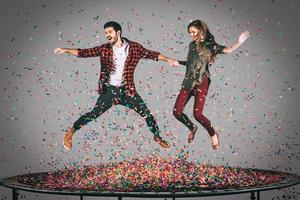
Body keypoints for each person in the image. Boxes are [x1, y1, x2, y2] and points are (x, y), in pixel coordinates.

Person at [54, 21, 179, 150]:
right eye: (106, 33)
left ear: (118, 32)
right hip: (109, 91)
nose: (107, 35)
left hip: (127, 91)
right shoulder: (105, 49)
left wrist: (168, 59)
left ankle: (157, 136)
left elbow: (153, 55)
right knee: (93, 114)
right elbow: (84, 53)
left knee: (147, 114)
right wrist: (65, 50)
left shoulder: (135, 48)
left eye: (110, 32)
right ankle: (70, 133)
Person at [174, 20, 250, 149]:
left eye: (193, 31)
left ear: (200, 30)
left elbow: (227, 50)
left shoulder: (209, 45)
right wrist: (177, 62)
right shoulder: (191, 45)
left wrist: (239, 42)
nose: (191, 34)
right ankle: (192, 127)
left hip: (201, 82)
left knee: (197, 114)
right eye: (189, 33)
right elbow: (191, 63)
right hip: (188, 82)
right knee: (177, 112)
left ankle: (213, 134)